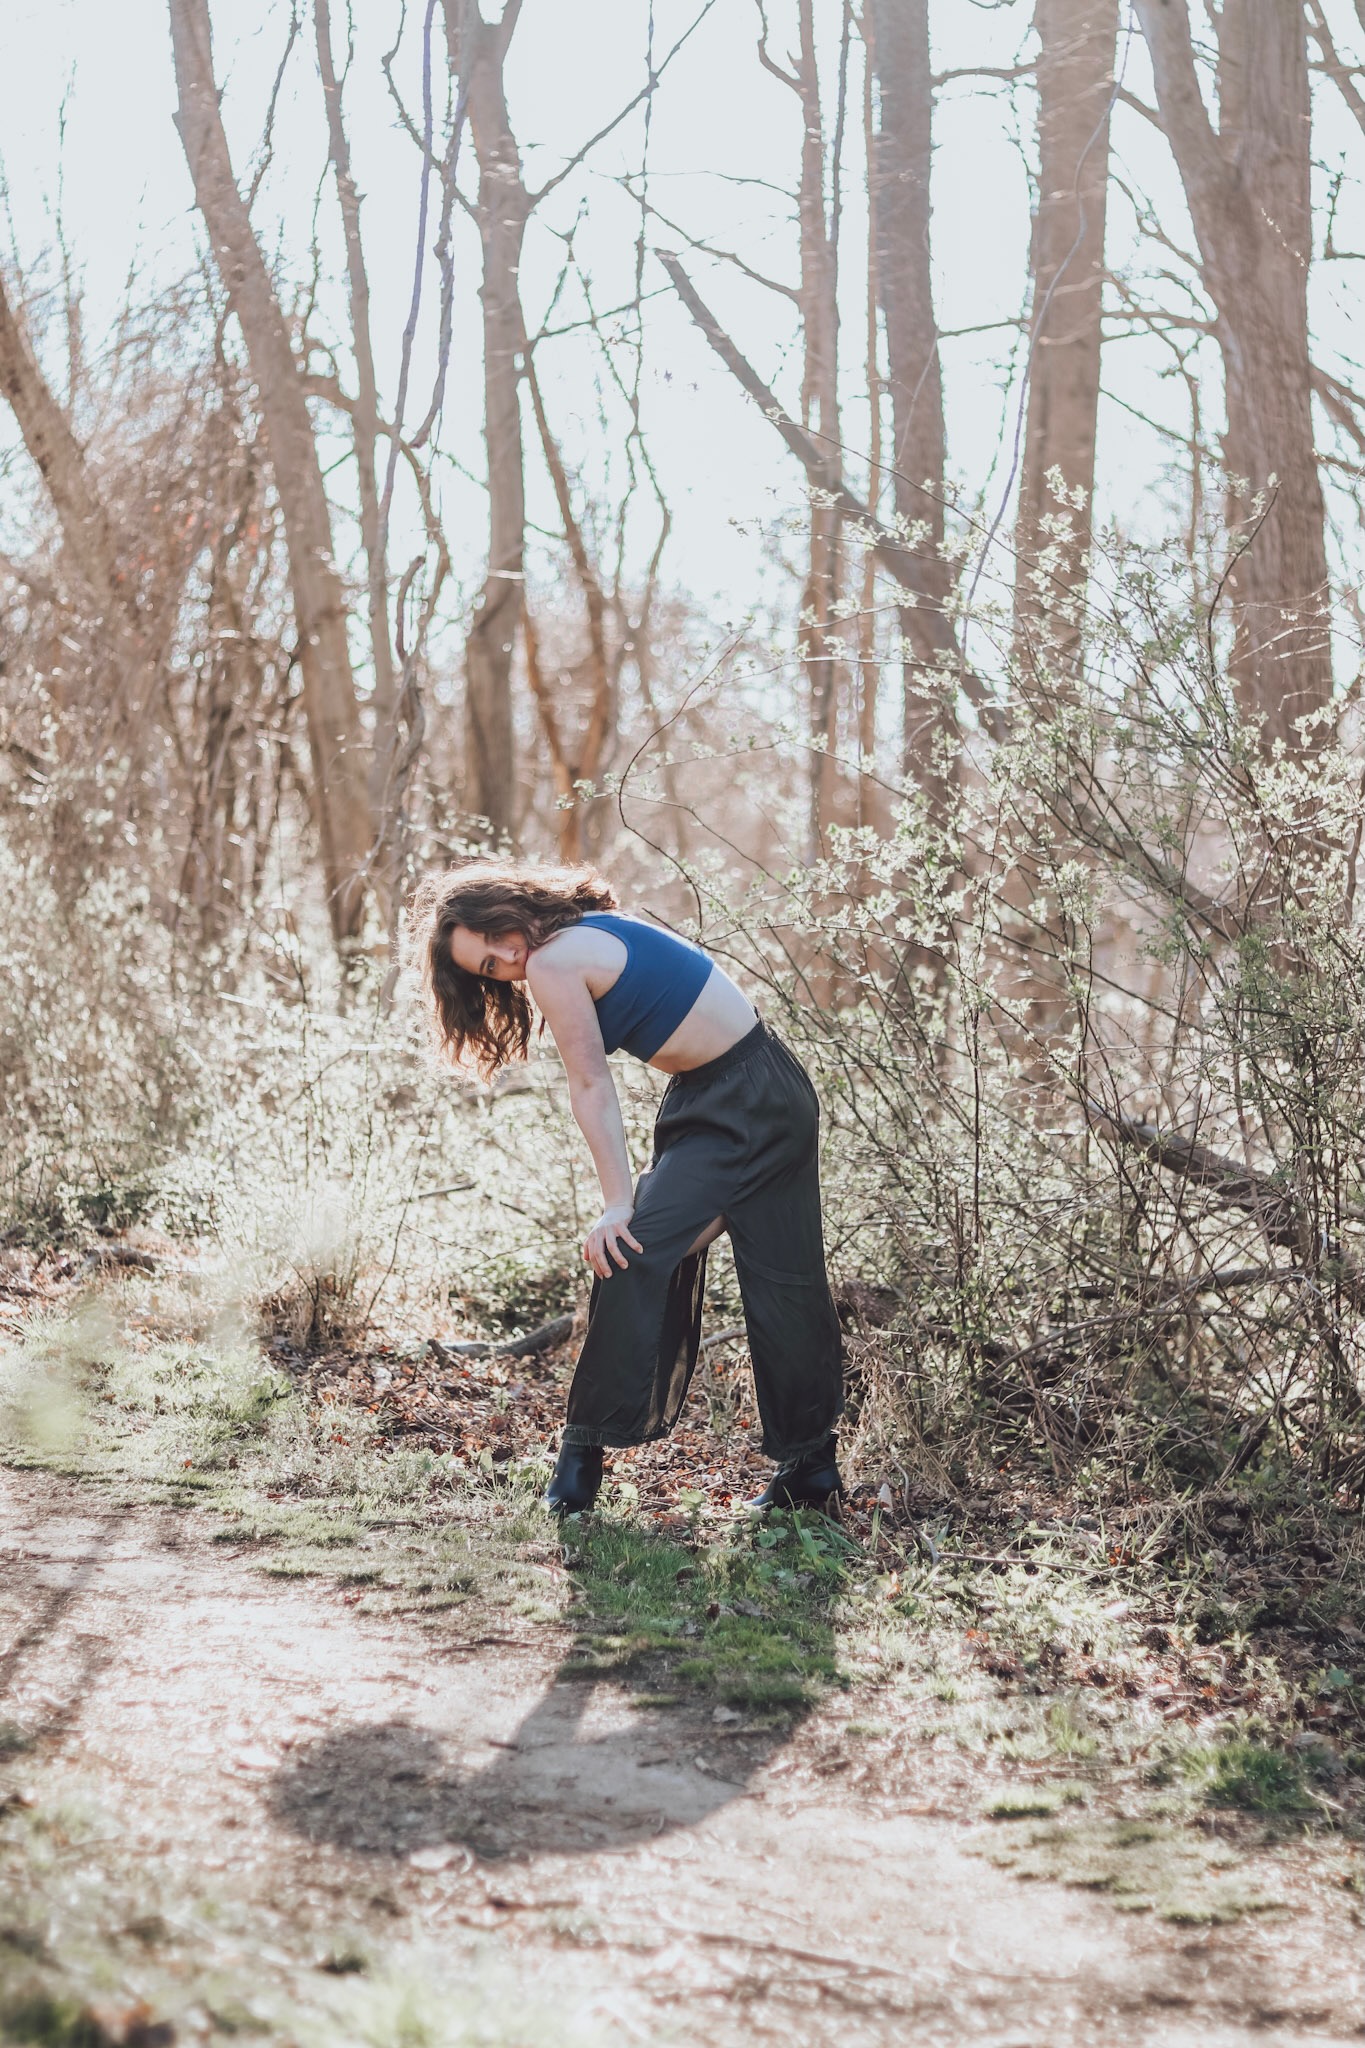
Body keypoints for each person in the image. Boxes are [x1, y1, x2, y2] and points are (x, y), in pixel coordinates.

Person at [409, 860, 844, 1516]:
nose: (506, 958)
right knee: (769, 1276)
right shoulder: (581, 930)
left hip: (746, 1098)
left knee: (659, 1251)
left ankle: (584, 1460)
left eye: (496, 937)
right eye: (490, 969)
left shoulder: (556, 959)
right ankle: (808, 1470)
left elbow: (590, 1087)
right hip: (745, 1092)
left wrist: (617, 1203)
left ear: (506, 908)